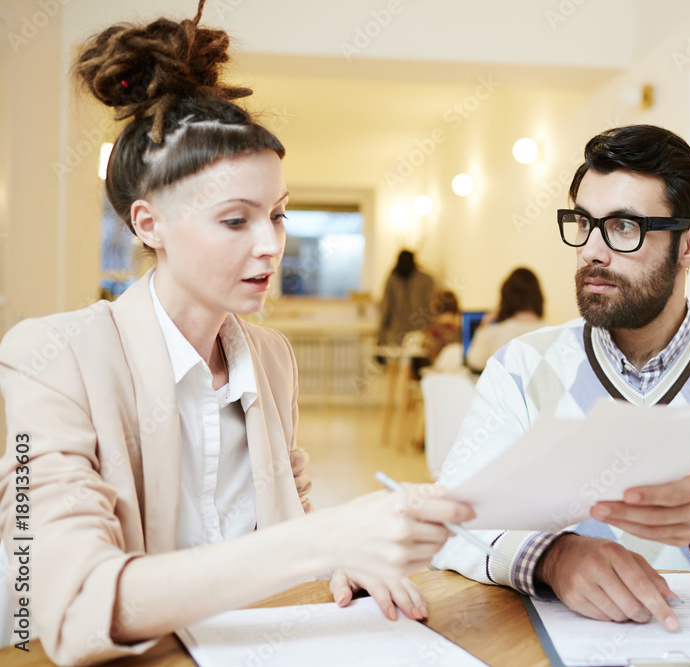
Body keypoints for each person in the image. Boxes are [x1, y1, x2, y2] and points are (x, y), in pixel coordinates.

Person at [0, 4, 472, 665]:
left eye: (277, 215)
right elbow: (72, 607)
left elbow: (289, 509)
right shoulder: (51, 358)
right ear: (149, 223)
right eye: (235, 220)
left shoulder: (271, 358)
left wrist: (341, 558)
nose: (271, 246)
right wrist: (324, 540)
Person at [431, 125, 690, 631]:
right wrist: (552, 557)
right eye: (584, 223)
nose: (591, 251)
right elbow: (448, 521)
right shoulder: (521, 367)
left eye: (624, 227)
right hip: (555, 647)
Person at [465, 267, 545, 372]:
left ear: (506, 297)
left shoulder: (495, 332)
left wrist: (483, 327)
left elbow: (475, 362)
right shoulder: (555, 334)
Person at [377, 250, 436, 347]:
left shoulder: (425, 280)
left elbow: (431, 308)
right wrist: (381, 336)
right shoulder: (393, 280)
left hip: (418, 332)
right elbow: (386, 308)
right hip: (397, 332)